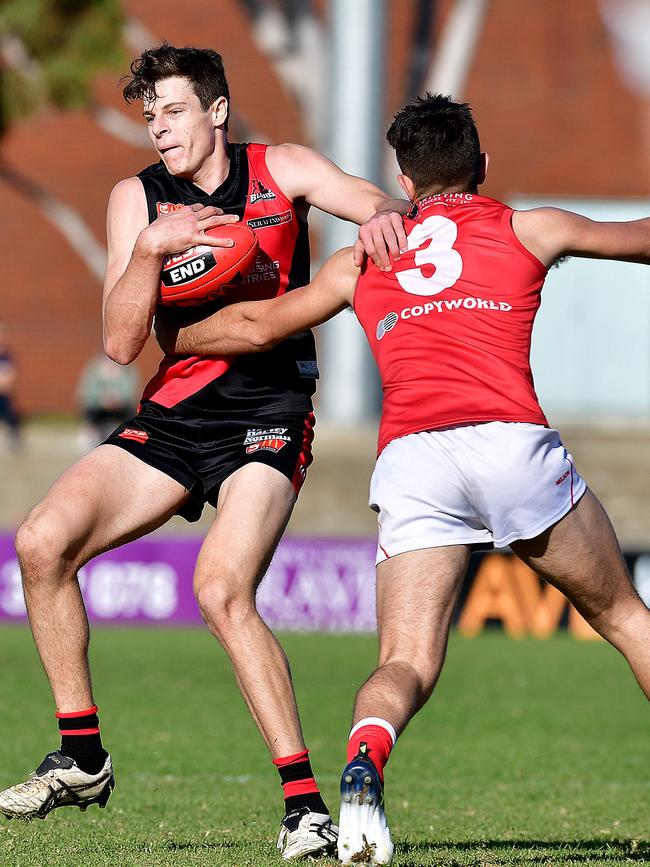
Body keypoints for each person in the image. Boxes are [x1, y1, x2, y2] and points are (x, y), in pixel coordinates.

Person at [153, 93, 650, 866]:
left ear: (405, 182)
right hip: (507, 441)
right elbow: (639, 239)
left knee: (406, 662)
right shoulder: (531, 225)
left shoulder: (361, 261)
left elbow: (256, 326)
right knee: (624, 617)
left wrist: (172, 329)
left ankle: (364, 762)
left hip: (414, 460)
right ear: (482, 168)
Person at [0, 44, 409, 860]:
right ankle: (82, 756)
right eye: (150, 114)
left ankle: (304, 808)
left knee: (221, 587)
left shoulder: (279, 168)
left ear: (217, 110)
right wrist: (152, 248)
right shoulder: (136, 199)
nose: (160, 127)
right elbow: (119, 345)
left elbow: (361, 198)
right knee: (41, 543)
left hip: (270, 413)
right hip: (177, 413)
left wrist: (378, 212)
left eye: (175, 109)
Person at [76, 353, 139, 449]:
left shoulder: (127, 371)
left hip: (121, 408)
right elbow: (86, 392)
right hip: (98, 408)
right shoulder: (94, 370)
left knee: (131, 414)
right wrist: (101, 399)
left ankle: (129, 440)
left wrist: (118, 399)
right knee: (91, 412)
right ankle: (90, 436)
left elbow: (130, 392)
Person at [0, 322, 21, 450]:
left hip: (3, 395)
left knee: (11, 416)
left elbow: (10, 375)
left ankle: (14, 440)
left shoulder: (7, 357)